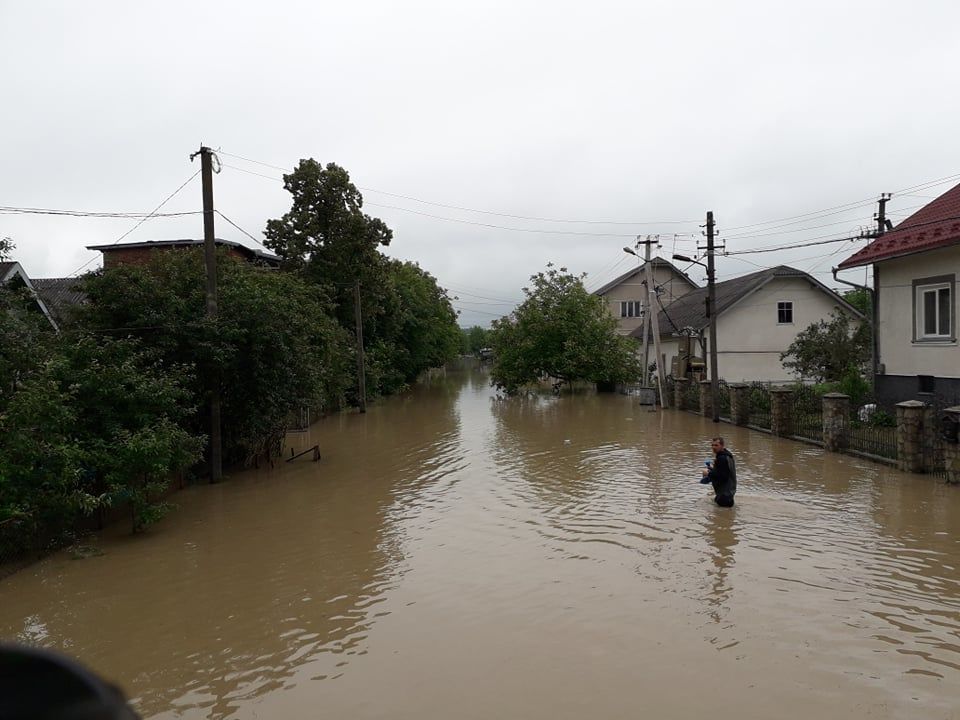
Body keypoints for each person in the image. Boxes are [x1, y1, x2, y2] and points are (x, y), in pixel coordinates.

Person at [701, 436, 736, 507]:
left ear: (722, 446)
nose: (713, 447)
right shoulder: (727, 455)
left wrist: (708, 473)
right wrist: (713, 469)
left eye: (716, 445)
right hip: (728, 494)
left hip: (724, 496)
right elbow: (724, 472)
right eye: (712, 445)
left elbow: (723, 477)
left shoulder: (722, 458)